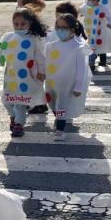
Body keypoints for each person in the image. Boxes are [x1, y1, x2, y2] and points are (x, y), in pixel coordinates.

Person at [0, 8, 47, 138]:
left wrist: (42, 71)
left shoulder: (33, 39)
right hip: (10, 78)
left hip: (25, 79)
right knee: (7, 101)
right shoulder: (8, 37)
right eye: (16, 24)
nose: (19, 27)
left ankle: (19, 124)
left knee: (20, 103)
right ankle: (13, 117)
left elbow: (40, 58)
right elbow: (0, 54)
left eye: (23, 24)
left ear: (29, 24)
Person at [44, 13, 91, 141]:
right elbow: (46, 62)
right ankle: (59, 118)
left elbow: (82, 69)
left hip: (67, 84)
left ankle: (60, 129)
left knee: (61, 105)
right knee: (52, 103)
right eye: (58, 27)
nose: (60, 30)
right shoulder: (51, 46)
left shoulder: (79, 47)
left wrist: (78, 86)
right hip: (51, 82)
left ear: (72, 29)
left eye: (64, 27)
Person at [80, 0, 111, 72]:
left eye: (89, 0)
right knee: (90, 45)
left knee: (99, 45)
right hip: (89, 31)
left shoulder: (103, 8)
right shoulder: (85, 6)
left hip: (100, 31)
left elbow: (109, 17)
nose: (88, 1)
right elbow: (79, 12)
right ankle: (91, 61)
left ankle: (97, 60)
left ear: (96, 0)